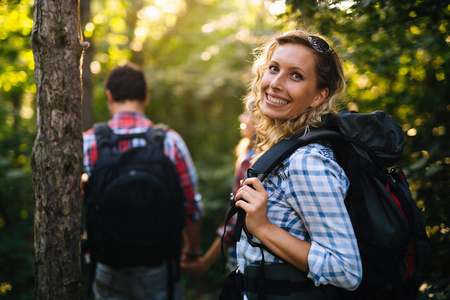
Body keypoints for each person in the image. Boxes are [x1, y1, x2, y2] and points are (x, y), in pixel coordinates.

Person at [228, 30, 363, 299]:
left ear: (318, 96)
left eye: (296, 75)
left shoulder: (306, 162)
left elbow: (346, 270)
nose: (276, 83)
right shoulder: (283, 149)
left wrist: (264, 227)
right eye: (274, 68)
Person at [83, 63, 203, 299]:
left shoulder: (90, 142)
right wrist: (191, 253)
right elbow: (191, 207)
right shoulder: (169, 141)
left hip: (108, 262)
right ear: (146, 97)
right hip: (158, 263)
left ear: (109, 96)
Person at [181, 110, 255, 277]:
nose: (241, 117)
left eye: (248, 113)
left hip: (244, 254)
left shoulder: (249, 160)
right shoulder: (262, 153)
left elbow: (236, 220)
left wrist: (205, 263)